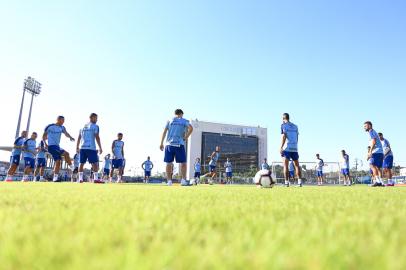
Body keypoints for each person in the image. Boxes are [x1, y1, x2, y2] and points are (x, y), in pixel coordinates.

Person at [159, 109, 193, 186]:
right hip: (179, 144)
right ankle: (183, 181)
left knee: (168, 164)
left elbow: (164, 132)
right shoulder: (184, 120)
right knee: (183, 163)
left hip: (169, 145)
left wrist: (161, 143)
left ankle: (169, 181)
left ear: (175, 114)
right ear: (181, 114)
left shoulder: (169, 121)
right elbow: (191, 128)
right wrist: (186, 137)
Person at [43, 116, 75, 182]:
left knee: (58, 162)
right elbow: (43, 136)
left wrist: (70, 137)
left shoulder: (62, 127)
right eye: (62, 120)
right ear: (58, 120)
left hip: (57, 146)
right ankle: (72, 167)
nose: (63, 122)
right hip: (51, 146)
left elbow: (66, 133)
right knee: (66, 153)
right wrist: (45, 144)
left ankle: (55, 178)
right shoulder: (50, 126)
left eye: (64, 120)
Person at [76, 113, 103, 183]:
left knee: (81, 163)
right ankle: (96, 179)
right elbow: (97, 137)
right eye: (96, 118)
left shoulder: (82, 127)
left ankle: (80, 179)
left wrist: (77, 147)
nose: (97, 120)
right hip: (91, 147)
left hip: (82, 147)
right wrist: (100, 147)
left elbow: (79, 137)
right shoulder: (95, 126)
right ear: (91, 118)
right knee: (95, 163)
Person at [280, 113, 303, 187]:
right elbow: (297, 137)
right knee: (297, 165)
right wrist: (296, 146)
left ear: (283, 118)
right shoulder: (295, 126)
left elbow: (284, 136)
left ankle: (286, 183)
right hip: (295, 148)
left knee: (285, 165)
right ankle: (299, 183)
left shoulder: (283, 125)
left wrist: (281, 147)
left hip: (287, 148)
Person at [364, 121, 384, 187]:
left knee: (371, 165)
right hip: (380, 152)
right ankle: (381, 182)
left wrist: (370, 152)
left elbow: (374, 141)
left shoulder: (371, 131)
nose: (364, 127)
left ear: (369, 126)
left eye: (365, 126)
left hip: (376, 152)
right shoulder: (373, 132)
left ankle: (377, 181)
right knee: (378, 168)